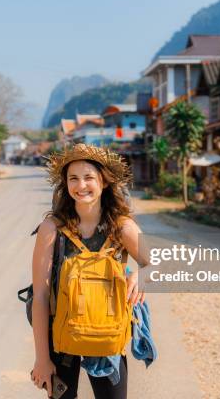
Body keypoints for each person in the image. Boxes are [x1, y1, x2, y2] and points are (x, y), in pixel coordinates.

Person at [31, 144, 147, 399]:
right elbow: (39, 296)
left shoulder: (121, 226)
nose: (81, 185)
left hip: (107, 337)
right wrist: (42, 359)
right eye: (73, 178)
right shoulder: (52, 229)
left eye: (88, 177)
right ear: (65, 183)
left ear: (104, 181)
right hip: (60, 339)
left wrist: (142, 274)